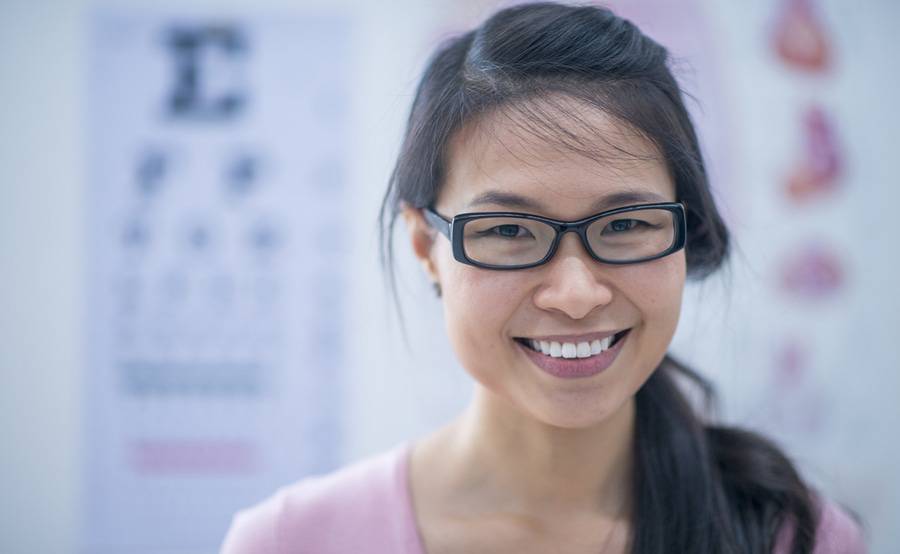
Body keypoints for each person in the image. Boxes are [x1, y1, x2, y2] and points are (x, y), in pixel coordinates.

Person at [221, 3, 866, 553]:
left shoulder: (796, 536)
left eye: (623, 226)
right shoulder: (291, 540)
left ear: (685, 229)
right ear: (425, 245)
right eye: (508, 232)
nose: (576, 294)